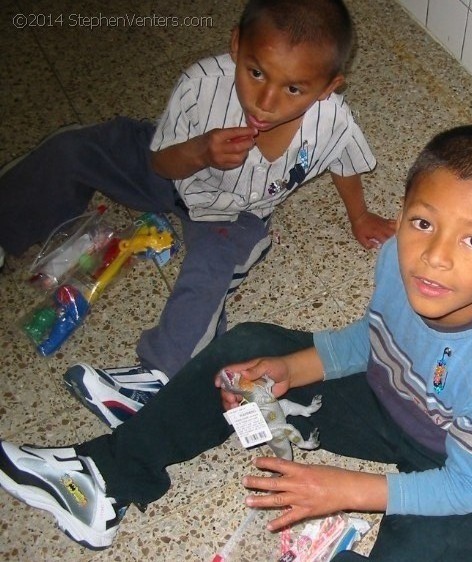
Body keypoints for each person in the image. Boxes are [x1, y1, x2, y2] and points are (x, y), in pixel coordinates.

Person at [0, 125, 472, 560]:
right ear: (403, 213)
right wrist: (293, 366)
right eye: (423, 223)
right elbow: (376, 341)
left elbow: (466, 488)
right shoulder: (397, 261)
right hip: (386, 400)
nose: (435, 256)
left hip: (457, 461)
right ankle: (106, 477)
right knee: (248, 350)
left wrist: (345, 489)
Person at [0, 0, 395, 428]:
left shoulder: (332, 121)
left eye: (293, 89)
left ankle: (155, 379)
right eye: (256, 72)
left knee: (210, 274)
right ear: (236, 44)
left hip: (233, 213)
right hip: (170, 168)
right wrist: (201, 151)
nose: (264, 102)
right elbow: (160, 163)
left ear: (328, 88)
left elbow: (345, 162)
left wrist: (360, 216)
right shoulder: (201, 83)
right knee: (74, 149)